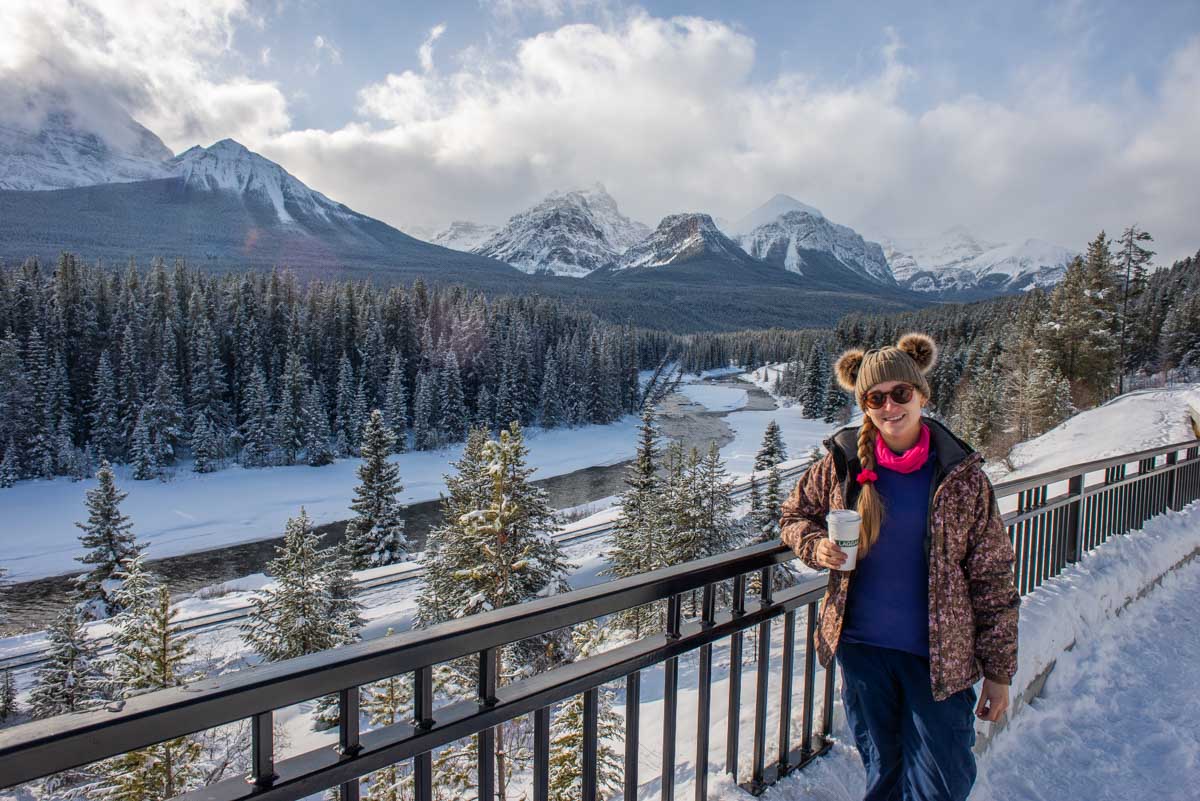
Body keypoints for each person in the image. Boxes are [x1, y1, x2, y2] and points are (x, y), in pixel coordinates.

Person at [780, 333, 1020, 801]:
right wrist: (815, 546)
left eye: (900, 394)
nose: (890, 406)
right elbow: (793, 516)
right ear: (864, 403)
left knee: (943, 783)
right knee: (884, 776)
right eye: (875, 397)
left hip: (939, 659)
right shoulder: (842, 463)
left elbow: (993, 577)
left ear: (922, 395)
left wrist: (999, 670)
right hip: (863, 651)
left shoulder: (960, 475)